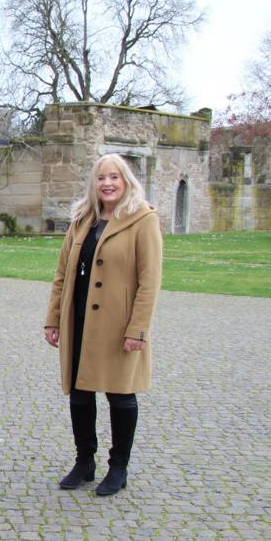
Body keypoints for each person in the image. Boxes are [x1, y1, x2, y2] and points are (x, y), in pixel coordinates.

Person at [44, 153, 162, 496]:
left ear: (126, 181)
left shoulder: (142, 220)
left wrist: (137, 330)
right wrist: (53, 319)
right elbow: (62, 274)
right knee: (79, 393)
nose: (107, 184)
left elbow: (149, 281)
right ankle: (85, 461)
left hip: (117, 323)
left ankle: (118, 467)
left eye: (114, 177)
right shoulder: (83, 219)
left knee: (121, 394)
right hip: (78, 319)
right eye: (101, 178)